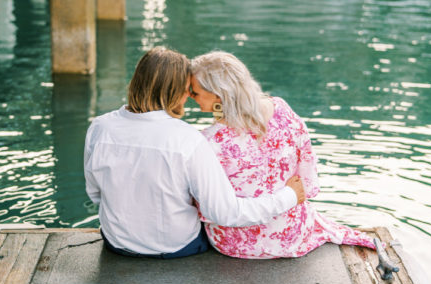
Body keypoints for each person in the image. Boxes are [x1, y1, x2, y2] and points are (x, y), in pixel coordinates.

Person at [84, 47, 306, 259]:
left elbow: (95, 193)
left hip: (117, 242)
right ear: (176, 92)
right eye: (187, 89)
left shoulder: (99, 127)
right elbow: (225, 213)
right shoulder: (189, 140)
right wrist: (288, 196)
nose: (189, 96)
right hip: (176, 246)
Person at [189, 51, 375, 259]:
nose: (189, 96)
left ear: (218, 95)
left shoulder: (209, 142)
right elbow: (306, 167)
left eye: (194, 92)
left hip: (238, 244)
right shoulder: (281, 108)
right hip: (293, 231)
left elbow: (211, 209)